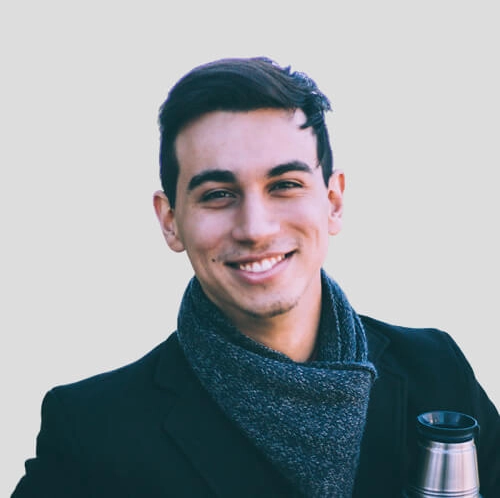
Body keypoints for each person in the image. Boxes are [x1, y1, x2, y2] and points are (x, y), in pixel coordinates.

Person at [12, 57, 499, 498]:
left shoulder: (437, 370)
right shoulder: (92, 431)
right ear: (170, 220)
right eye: (217, 194)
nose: (256, 228)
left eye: (285, 185)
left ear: (333, 202)